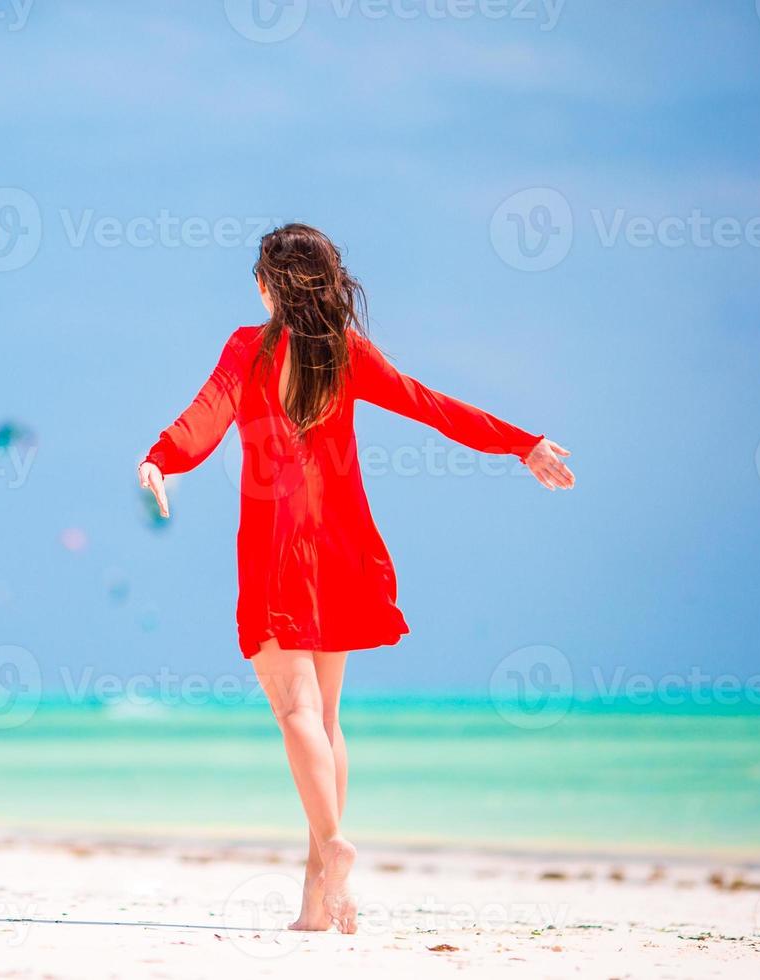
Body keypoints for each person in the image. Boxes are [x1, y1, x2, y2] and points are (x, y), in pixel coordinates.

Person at [138, 223, 575, 934]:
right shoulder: (347, 352)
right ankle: (319, 901)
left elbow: (207, 414)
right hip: (341, 546)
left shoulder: (249, 349)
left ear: (265, 286)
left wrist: (162, 457)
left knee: (295, 714)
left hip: (277, 549)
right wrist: (520, 442)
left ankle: (334, 846)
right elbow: (429, 405)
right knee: (329, 720)